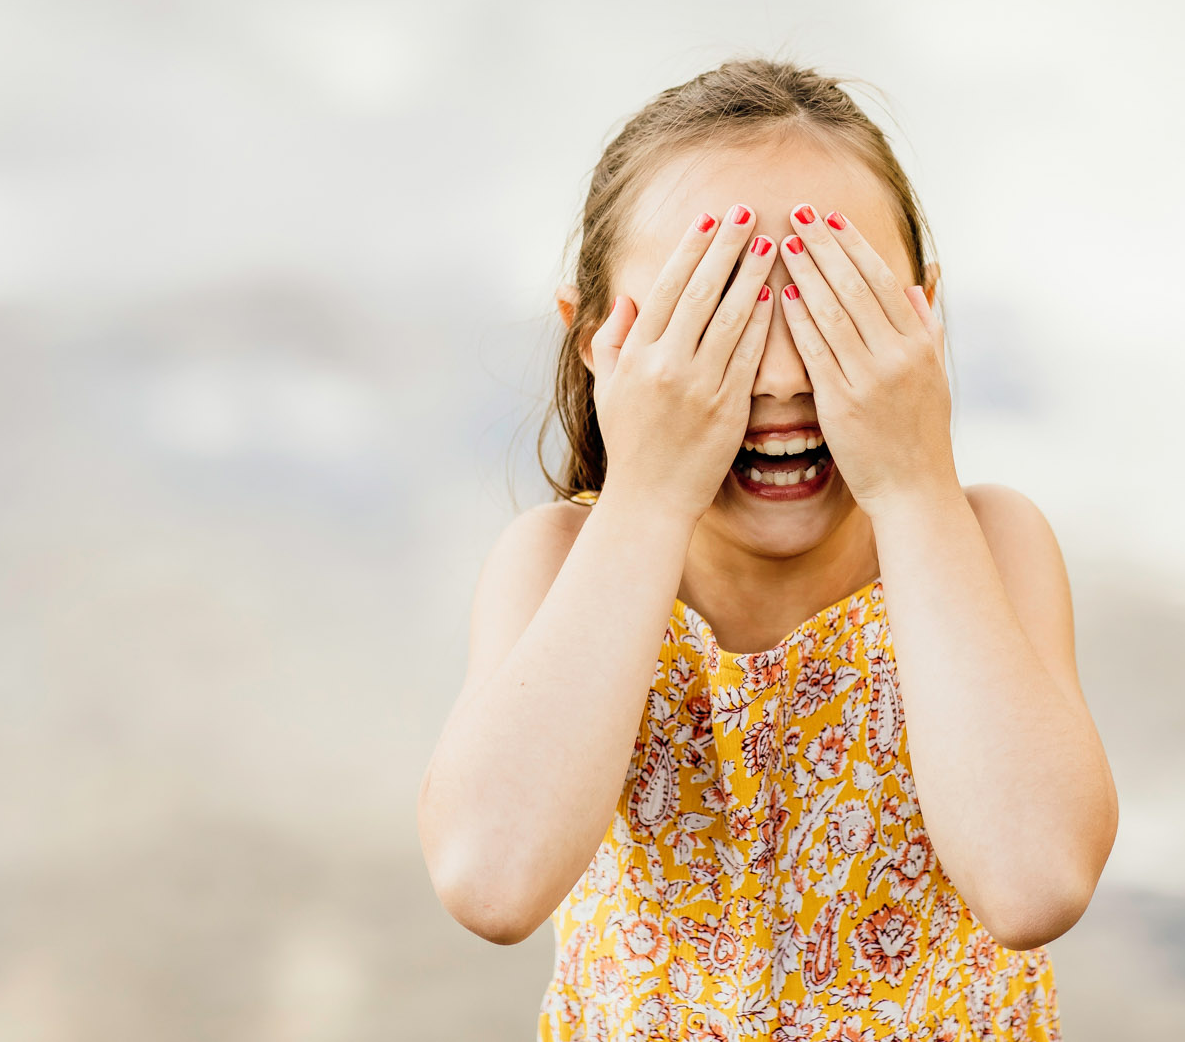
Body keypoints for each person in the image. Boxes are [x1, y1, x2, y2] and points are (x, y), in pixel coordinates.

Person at [417, 59, 1118, 1040]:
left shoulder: (988, 547)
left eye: (837, 309)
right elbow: (491, 882)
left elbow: (1033, 882)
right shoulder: (556, 563)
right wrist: (650, 493)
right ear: (594, 343)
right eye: (707, 317)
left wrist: (914, 486)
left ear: (922, 318)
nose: (784, 374)